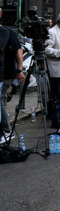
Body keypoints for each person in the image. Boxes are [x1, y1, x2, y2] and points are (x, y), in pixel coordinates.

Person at [0, 10, 24, 141]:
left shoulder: (7, 32)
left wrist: (19, 70)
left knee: (0, 100)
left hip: (6, 73)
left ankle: (6, 131)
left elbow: (18, 50)